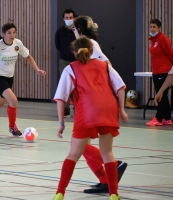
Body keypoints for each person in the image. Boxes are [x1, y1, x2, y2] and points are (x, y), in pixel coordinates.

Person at [53, 36, 128, 200]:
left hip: (87, 111)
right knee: (107, 152)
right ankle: (114, 194)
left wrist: (61, 122)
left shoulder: (70, 68)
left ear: (74, 52)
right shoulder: (105, 66)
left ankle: (60, 192)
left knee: (74, 153)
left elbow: (61, 98)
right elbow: (121, 87)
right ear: (92, 51)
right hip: (109, 110)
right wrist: (122, 110)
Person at [72, 15, 128, 194]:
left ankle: (113, 165)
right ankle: (105, 181)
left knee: (78, 146)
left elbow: (106, 65)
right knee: (82, 146)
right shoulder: (85, 46)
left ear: (79, 30)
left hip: (95, 101)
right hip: (88, 100)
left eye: (73, 28)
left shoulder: (90, 45)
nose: (72, 30)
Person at [0, 23, 46, 136]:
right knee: (13, 101)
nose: (12, 35)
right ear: (3, 34)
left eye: (14, 32)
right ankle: (12, 127)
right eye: (9, 33)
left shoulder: (18, 44)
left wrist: (37, 69)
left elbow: (28, 56)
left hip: (9, 77)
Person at [146, 19, 173, 126]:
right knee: (164, 95)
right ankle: (167, 118)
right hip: (156, 71)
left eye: (154, 27)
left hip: (163, 71)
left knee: (160, 94)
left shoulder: (162, 38)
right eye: (151, 26)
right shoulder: (153, 39)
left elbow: (170, 53)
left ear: (159, 28)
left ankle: (158, 118)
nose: (152, 29)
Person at [55, 8, 78, 117]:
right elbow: (58, 46)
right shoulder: (60, 32)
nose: (69, 19)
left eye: (70, 17)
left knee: (79, 85)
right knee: (65, 85)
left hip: (78, 62)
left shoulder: (79, 30)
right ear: (63, 19)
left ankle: (78, 108)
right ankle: (66, 109)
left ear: (74, 18)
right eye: (66, 18)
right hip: (64, 61)